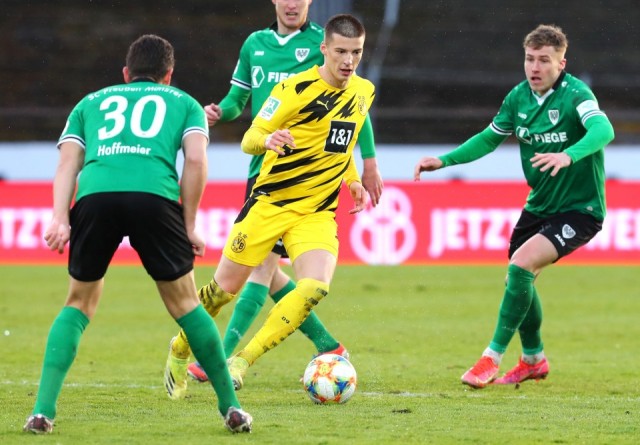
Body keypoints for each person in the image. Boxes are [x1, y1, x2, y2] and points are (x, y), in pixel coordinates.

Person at [23, 35, 252, 434]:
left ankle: (42, 412)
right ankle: (230, 407)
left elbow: (67, 165)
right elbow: (196, 161)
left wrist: (60, 218)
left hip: (96, 197)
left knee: (78, 303)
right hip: (154, 198)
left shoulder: (89, 103)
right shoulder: (185, 103)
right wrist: (189, 224)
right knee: (186, 304)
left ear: (126, 73)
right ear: (169, 75)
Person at [165, 13, 373, 393]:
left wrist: (354, 180)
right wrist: (268, 139)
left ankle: (241, 361)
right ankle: (180, 345)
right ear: (324, 49)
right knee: (221, 293)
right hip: (270, 205)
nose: (348, 61)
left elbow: (340, 143)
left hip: (316, 212)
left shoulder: (363, 92)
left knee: (314, 286)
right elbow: (250, 137)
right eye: (341, 52)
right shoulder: (293, 89)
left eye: (356, 52)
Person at [414, 24, 614, 389]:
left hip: (581, 208)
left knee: (521, 265)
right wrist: (444, 161)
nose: (535, 67)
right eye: (529, 59)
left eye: (544, 60)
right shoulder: (518, 98)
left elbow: (604, 130)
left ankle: (491, 357)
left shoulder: (576, 95)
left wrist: (568, 155)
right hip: (539, 205)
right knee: (518, 280)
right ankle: (534, 359)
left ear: (561, 63)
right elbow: (488, 139)